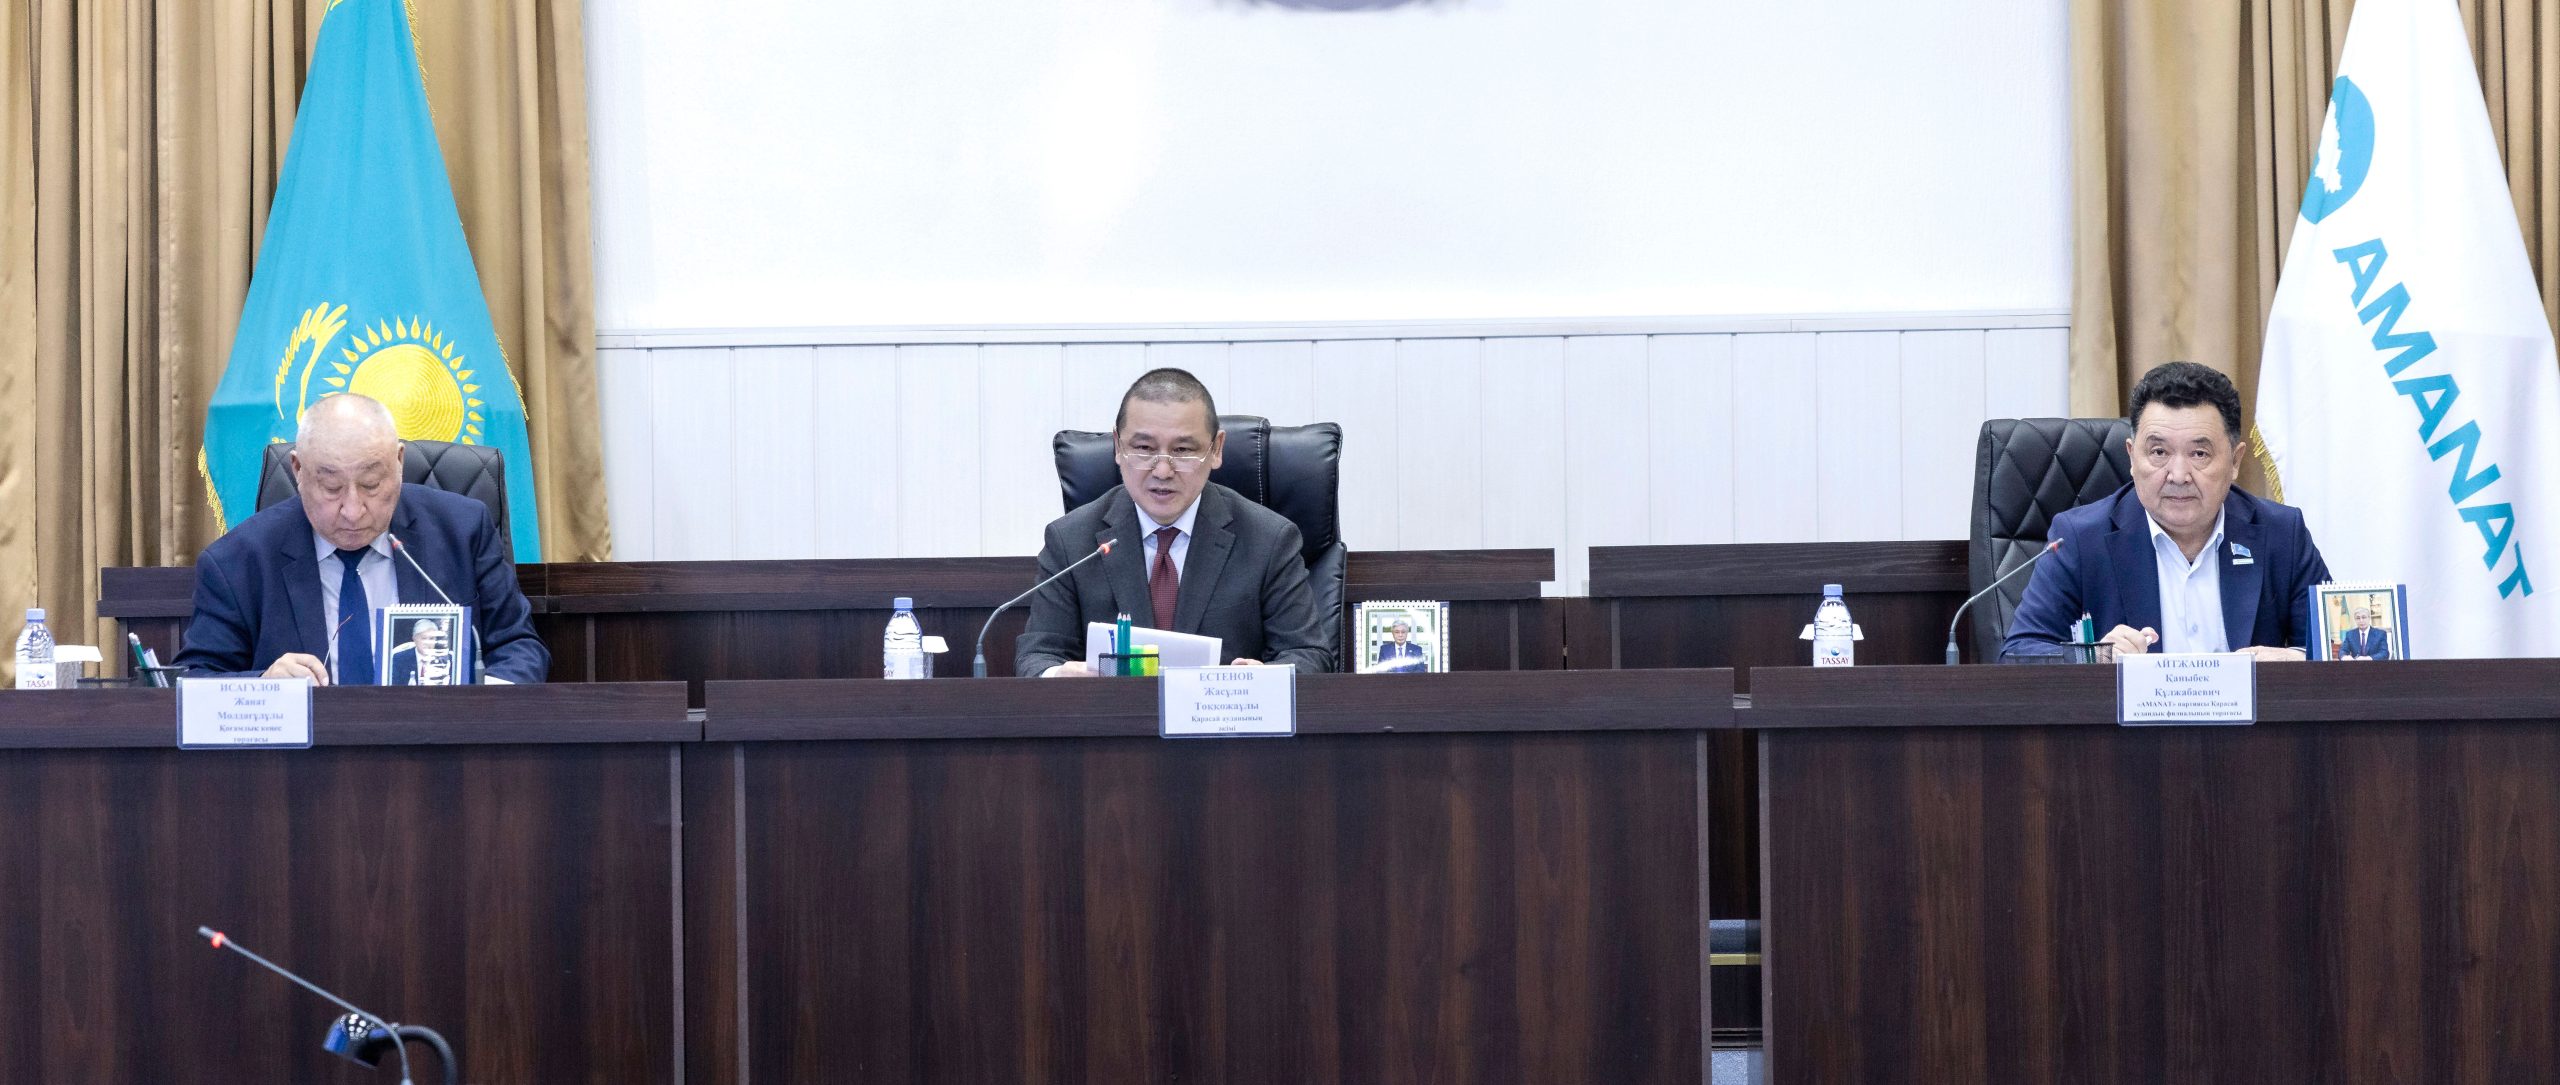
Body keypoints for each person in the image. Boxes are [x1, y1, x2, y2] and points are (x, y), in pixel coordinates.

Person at [172, 393, 549, 684]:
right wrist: (263, 685)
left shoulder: (463, 531)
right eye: (331, 487)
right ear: (298, 470)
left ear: (399, 462)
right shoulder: (238, 561)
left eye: (371, 484)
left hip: (438, 750)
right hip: (304, 759)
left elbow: (518, 647)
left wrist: (482, 702)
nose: (353, 510)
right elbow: (193, 680)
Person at [2003, 361, 2331, 662]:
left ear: (2235, 461)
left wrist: (2298, 662)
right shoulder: (2079, 539)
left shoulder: (2281, 534)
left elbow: (2340, 650)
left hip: (2253, 712)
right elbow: (2019, 655)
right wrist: (2096, 657)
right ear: (2132, 457)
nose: (2178, 475)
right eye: (2159, 452)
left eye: (2199, 454)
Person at [1014, 368, 1331, 676]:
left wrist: (1265, 678)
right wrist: (1057, 675)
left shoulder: (1269, 539)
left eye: (1182, 450)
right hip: (1112, 713)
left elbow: (1308, 655)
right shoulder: (1071, 541)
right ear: (1118, 447)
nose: (1163, 471)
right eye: (1143, 448)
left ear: (1216, 449)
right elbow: (1037, 657)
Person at [385, 618, 462, 685]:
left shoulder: (446, 659)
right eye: (424, 638)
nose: (427, 643)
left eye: (431, 638)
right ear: (414, 639)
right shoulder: (399, 659)